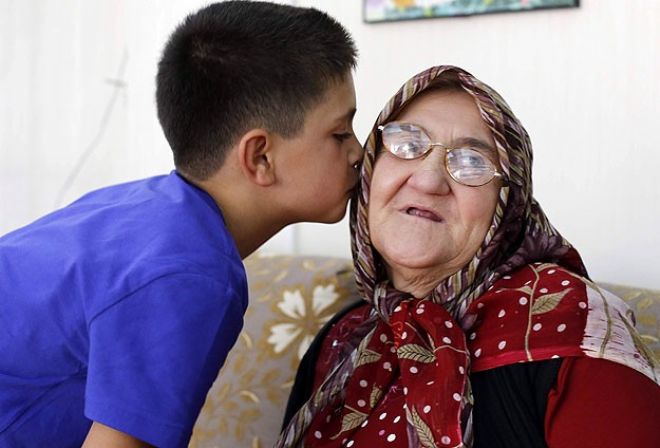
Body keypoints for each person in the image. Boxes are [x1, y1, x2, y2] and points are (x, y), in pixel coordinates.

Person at [0, 2, 361, 447]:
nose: (359, 152)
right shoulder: (191, 273)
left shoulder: (141, 207)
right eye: (340, 134)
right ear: (260, 157)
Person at [279, 65, 660, 448]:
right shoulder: (344, 336)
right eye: (406, 144)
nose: (428, 180)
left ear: (508, 204)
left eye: (472, 162)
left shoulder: (569, 321)